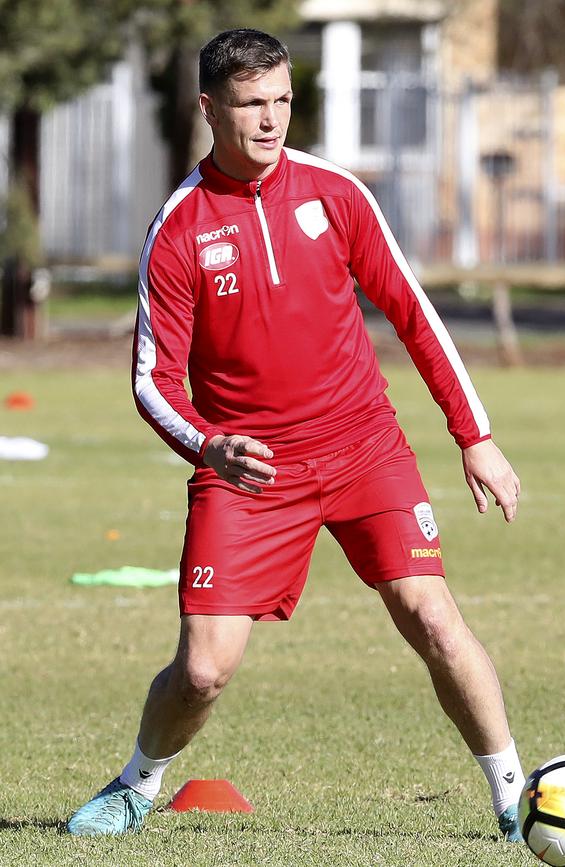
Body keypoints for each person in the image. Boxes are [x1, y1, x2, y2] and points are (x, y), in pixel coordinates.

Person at [67, 28, 525, 840]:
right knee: (204, 670)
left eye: (282, 100)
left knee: (432, 615)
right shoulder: (178, 228)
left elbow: (415, 316)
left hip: (363, 446)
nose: (272, 120)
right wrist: (207, 445)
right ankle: (138, 784)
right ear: (209, 108)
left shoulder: (336, 193)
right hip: (247, 471)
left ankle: (513, 796)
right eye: (252, 104)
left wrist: (474, 434)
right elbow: (150, 381)